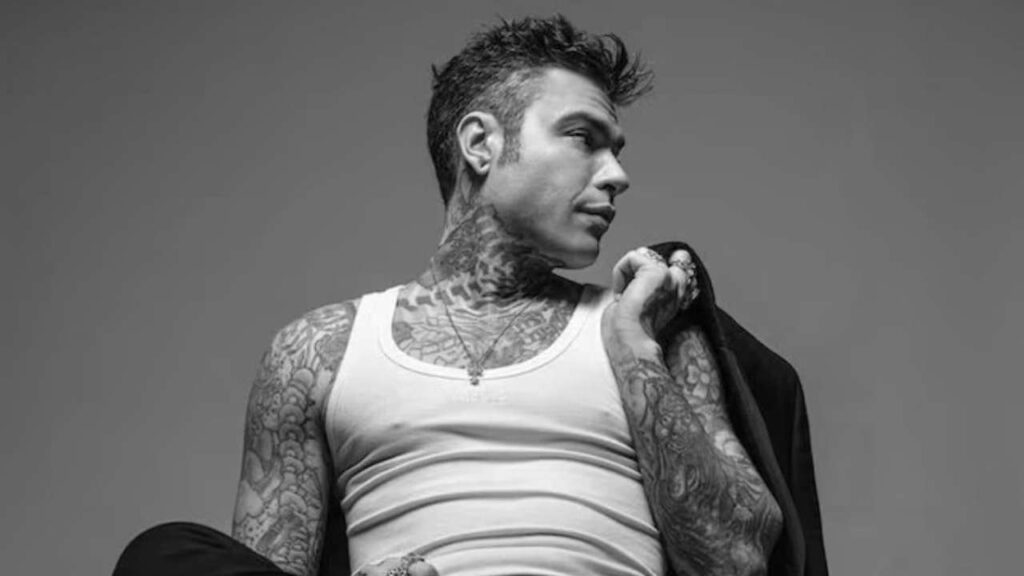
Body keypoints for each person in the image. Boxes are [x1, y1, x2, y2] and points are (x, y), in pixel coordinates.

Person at [113, 15, 827, 576]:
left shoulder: (651, 324)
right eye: (584, 138)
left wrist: (633, 349)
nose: (616, 175)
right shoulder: (317, 352)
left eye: (616, 151)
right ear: (481, 143)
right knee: (163, 555)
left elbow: (736, 560)